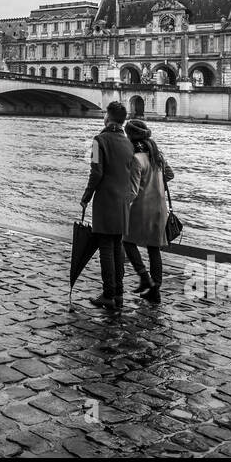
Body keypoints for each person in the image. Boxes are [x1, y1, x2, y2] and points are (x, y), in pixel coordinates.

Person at [80, 101, 135, 311]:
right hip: (124, 202)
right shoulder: (129, 143)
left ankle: (108, 293)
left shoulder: (98, 140)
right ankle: (119, 292)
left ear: (107, 117)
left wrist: (86, 197)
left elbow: (96, 172)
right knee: (117, 246)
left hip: (105, 200)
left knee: (105, 247)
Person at [123, 118, 174, 303]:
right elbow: (170, 174)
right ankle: (156, 290)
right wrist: (157, 183)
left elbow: (133, 191)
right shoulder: (157, 155)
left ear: (131, 136)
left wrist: (121, 205)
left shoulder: (136, 159)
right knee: (154, 248)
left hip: (141, 207)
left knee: (127, 241)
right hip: (159, 207)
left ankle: (144, 276)